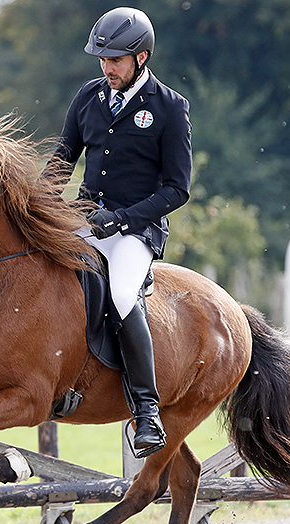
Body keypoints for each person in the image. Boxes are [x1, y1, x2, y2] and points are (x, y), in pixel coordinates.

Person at [51, 7, 192, 459]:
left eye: (115, 61)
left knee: (122, 295)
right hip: (87, 220)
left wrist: (125, 219)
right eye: (102, 60)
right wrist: (37, 209)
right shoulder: (88, 97)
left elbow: (178, 188)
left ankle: (146, 410)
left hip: (137, 230)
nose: (106, 69)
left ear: (141, 57)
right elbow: (60, 163)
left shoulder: (169, 108)